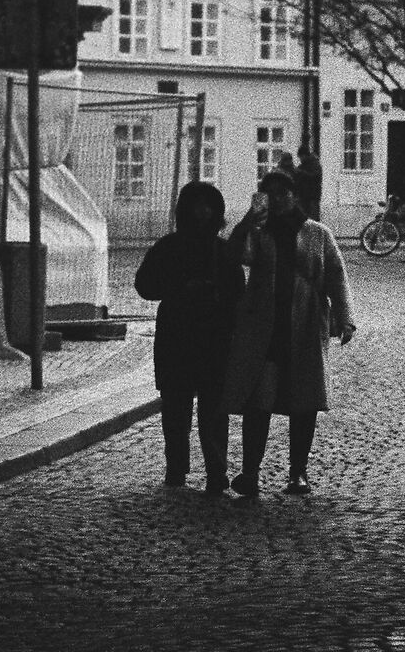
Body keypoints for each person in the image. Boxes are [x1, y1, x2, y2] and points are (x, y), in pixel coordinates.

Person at [223, 168, 355, 497]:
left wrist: (345, 318)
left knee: (303, 401)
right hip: (265, 328)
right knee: (259, 400)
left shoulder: (318, 233)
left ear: (294, 195)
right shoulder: (258, 231)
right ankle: (250, 472)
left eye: (284, 192)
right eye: (271, 193)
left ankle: (298, 473)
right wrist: (245, 222)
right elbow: (235, 255)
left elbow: (336, 275)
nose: (279, 199)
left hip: (306, 324)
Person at [133, 181, 242, 493]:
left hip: (215, 340)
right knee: (175, 411)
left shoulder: (224, 251)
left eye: (209, 205)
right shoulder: (167, 247)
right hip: (177, 337)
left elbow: (239, 293)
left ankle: (216, 472)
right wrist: (180, 289)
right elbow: (145, 286)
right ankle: (176, 469)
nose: (203, 212)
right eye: (198, 205)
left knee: (214, 412)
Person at [294, 145, 325, 224]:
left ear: (305, 155)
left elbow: (314, 176)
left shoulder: (315, 164)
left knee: (313, 219)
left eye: (301, 157)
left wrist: (301, 173)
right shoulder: (303, 165)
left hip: (312, 196)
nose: (300, 159)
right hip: (304, 196)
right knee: (305, 219)